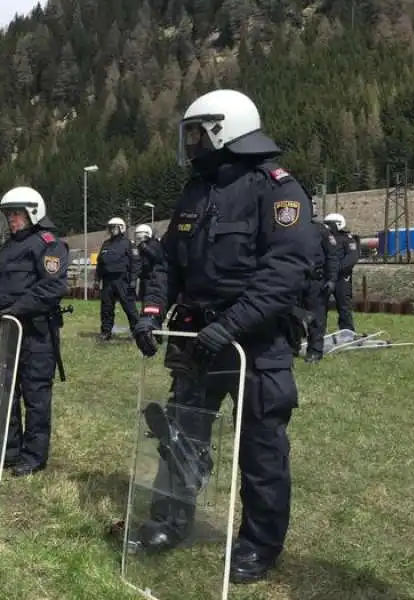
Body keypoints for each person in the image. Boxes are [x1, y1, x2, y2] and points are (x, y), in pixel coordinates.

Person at [131, 89, 316, 584]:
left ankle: (259, 544)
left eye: (199, 132)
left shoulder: (277, 190)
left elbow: (286, 272)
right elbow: (167, 261)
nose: (191, 143)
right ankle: (171, 520)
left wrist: (231, 325)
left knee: (261, 446)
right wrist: (151, 312)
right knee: (181, 431)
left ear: (228, 130)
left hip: (255, 340)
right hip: (197, 335)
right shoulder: (195, 191)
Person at [0, 186, 69, 477]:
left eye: (17, 213)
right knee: (7, 391)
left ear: (33, 212)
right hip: (9, 330)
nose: (12, 219)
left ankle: (34, 455)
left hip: (36, 332)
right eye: (8, 214)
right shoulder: (9, 246)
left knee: (35, 394)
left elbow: (53, 287)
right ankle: (9, 449)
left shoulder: (48, 244)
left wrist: (13, 310)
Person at [302, 203, 338, 362]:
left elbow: (332, 256)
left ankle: (315, 351)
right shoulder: (292, 229)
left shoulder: (321, 230)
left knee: (316, 317)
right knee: (293, 313)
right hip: (296, 280)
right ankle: (292, 345)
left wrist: (331, 279)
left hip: (316, 281)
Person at [95, 217, 140, 341]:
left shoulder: (128, 243)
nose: (112, 230)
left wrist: (133, 280)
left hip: (123, 280)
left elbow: (135, 263)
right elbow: (100, 263)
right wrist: (97, 279)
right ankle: (106, 332)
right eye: (110, 227)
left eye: (114, 227)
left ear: (121, 228)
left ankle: (137, 332)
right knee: (106, 308)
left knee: (129, 307)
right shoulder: (106, 244)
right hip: (108, 281)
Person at [323, 213, 359, 332]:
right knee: (320, 306)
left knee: (344, 306)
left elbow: (352, 258)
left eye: (329, 224)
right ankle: (318, 331)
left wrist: (335, 269)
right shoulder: (323, 238)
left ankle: (347, 331)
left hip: (341, 277)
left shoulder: (347, 239)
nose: (327, 227)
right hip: (325, 277)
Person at [133, 224, 165, 310]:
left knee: (150, 299)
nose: (139, 237)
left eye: (141, 234)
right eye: (138, 235)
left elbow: (157, 258)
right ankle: (144, 316)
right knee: (143, 299)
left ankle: (150, 316)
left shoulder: (154, 244)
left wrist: (146, 248)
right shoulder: (140, 246)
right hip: (144, 276)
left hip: (153, 276)